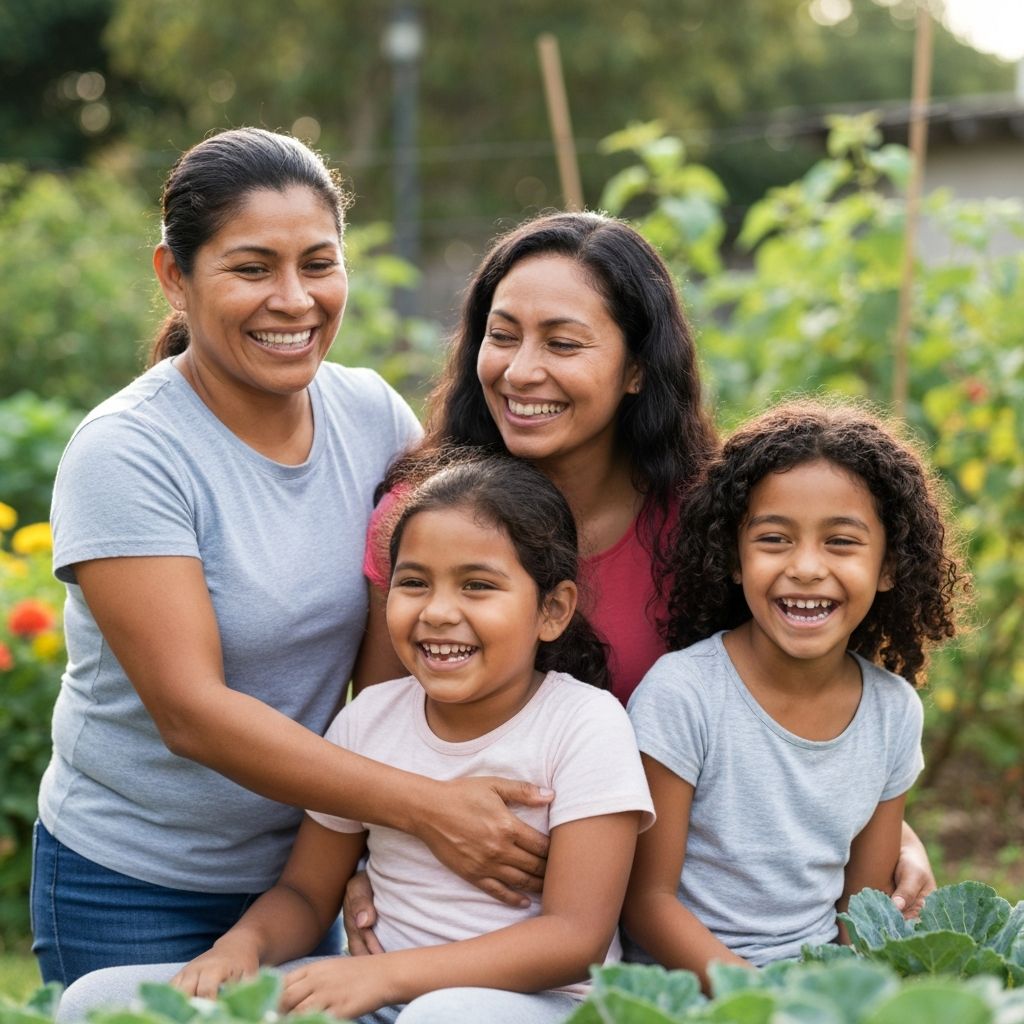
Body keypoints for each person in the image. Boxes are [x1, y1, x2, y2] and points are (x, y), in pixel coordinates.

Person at [32, 128, 557, 988]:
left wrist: (365, 851)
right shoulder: (128, 454)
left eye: (319, 263)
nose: (294, 299)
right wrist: (425, 811)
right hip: (130, 879)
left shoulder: (370, 418)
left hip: (303, 874)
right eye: (251, 269)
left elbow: (397, 665)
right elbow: (191, 713)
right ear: (175, 276)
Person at [346, 213, 938, 951]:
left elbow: (774, 704)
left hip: (636, 926)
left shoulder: (702, 523)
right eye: (502, 336)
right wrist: (397, 845)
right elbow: (380, 728)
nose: (521, 370)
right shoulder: (420, 522)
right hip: (465, 904)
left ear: (636, 368)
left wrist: (888, 832)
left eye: (563, 343)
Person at [56, 457, 655, 1024]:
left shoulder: (584, 724)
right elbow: (305, 893)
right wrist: (241, 947)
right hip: (377, 991)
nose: (438, 612)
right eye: (414, 582)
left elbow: (574, 940)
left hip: (533, 1003)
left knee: (439, 1016)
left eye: (477, 586)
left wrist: (390, 978)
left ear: (552, 610)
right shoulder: (369, 719)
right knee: (98, 1001)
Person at [622, 400, 968, 991]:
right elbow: (647, 902)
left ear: (889, 566)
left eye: (841, 542)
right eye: (775, 539)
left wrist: (837, 999)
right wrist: (761, 1003)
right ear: (734, 556)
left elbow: (861, 912)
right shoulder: (684, 694)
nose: (806, 568)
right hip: (687, 991)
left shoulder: (892, 711)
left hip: (814, 990)